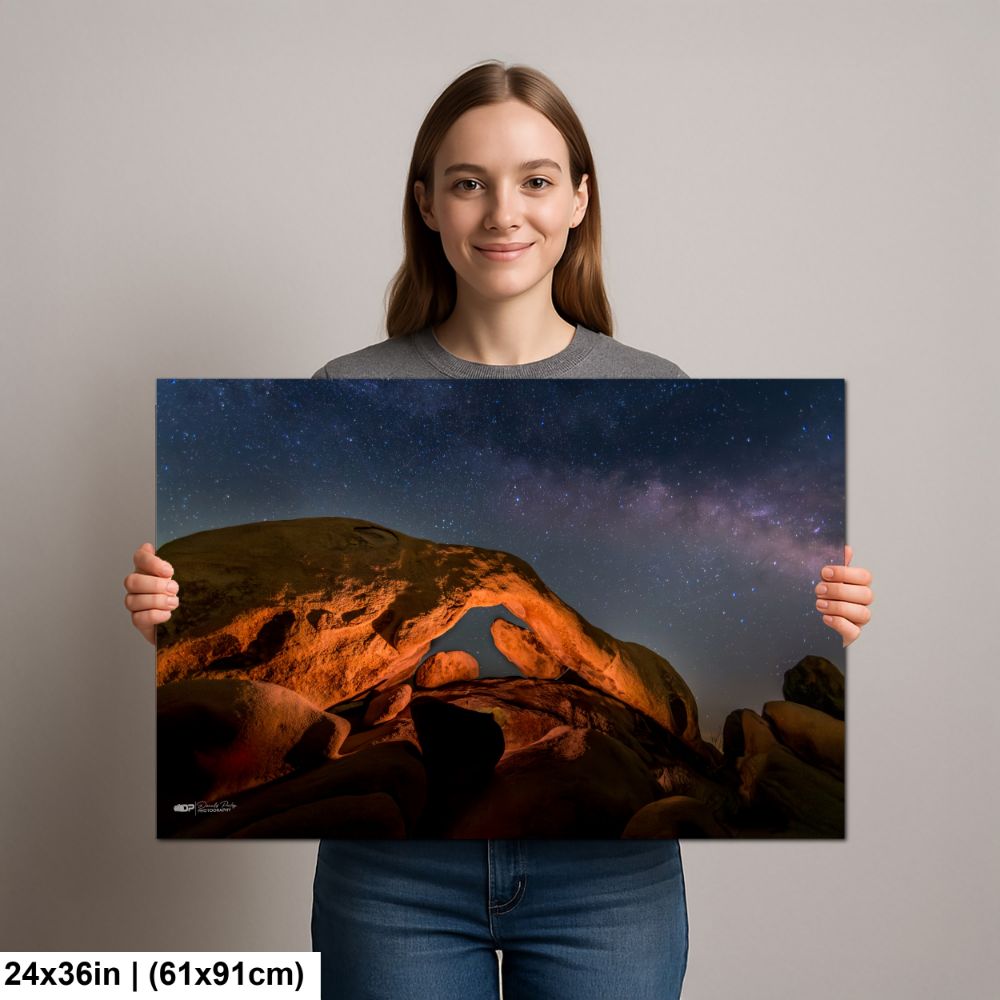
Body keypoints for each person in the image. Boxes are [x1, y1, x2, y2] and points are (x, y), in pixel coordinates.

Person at [123, 60, 874, 1000]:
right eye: (470, 182)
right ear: (427, 204)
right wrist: (162, 611)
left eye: (536, 180)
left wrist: (842, 610)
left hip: (612, 891)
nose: (503, 213)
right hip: (392, 885)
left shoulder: (655, 382)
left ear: (579, 200)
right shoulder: (348, 380)